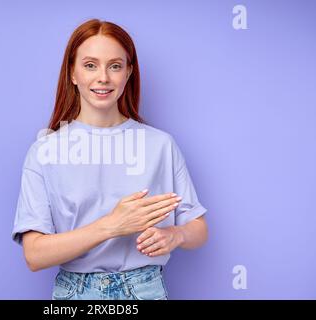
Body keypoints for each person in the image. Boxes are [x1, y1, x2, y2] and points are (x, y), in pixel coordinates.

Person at [11, 19, 208, 300]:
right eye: (90, 65)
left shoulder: (160, 145)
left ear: (128, 73)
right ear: (72, 73)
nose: (103, 77)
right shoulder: (45, 151)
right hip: (76, 293)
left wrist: (176, 235)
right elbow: (34, 255)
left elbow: (198, 228)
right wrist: (112, 225)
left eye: (115, 66)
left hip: (145, 290)